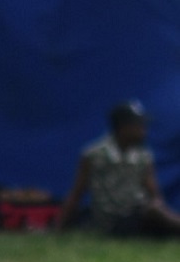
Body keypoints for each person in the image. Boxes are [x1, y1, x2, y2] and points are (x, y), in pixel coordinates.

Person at [58, 100, 180, 236]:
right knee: (154, 214)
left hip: (139, 216)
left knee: (156, 215)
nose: (144, 130)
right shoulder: (94, 155)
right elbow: (76, 193)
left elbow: (154, 194)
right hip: (111, 221)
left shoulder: (143, 156)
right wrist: (59, 228)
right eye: (139, 125)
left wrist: (157, 205)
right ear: (123, 127)